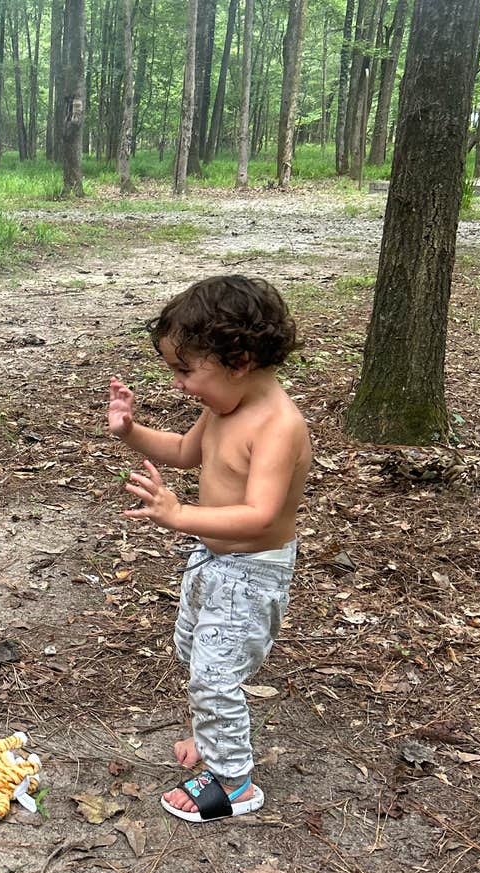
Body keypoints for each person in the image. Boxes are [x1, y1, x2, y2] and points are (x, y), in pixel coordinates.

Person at [107, 275, 311, 823]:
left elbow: (261, 513)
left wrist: (179, 516)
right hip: (213, 562)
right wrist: (130, 431)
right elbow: (181, 452)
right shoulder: (224, 410)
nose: (179, 385)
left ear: (239, 360)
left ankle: (234, 781)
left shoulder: (277, 425)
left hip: (251, 573)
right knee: (194, 654)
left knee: (216, 673)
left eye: (185, 370)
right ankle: (212, 738)